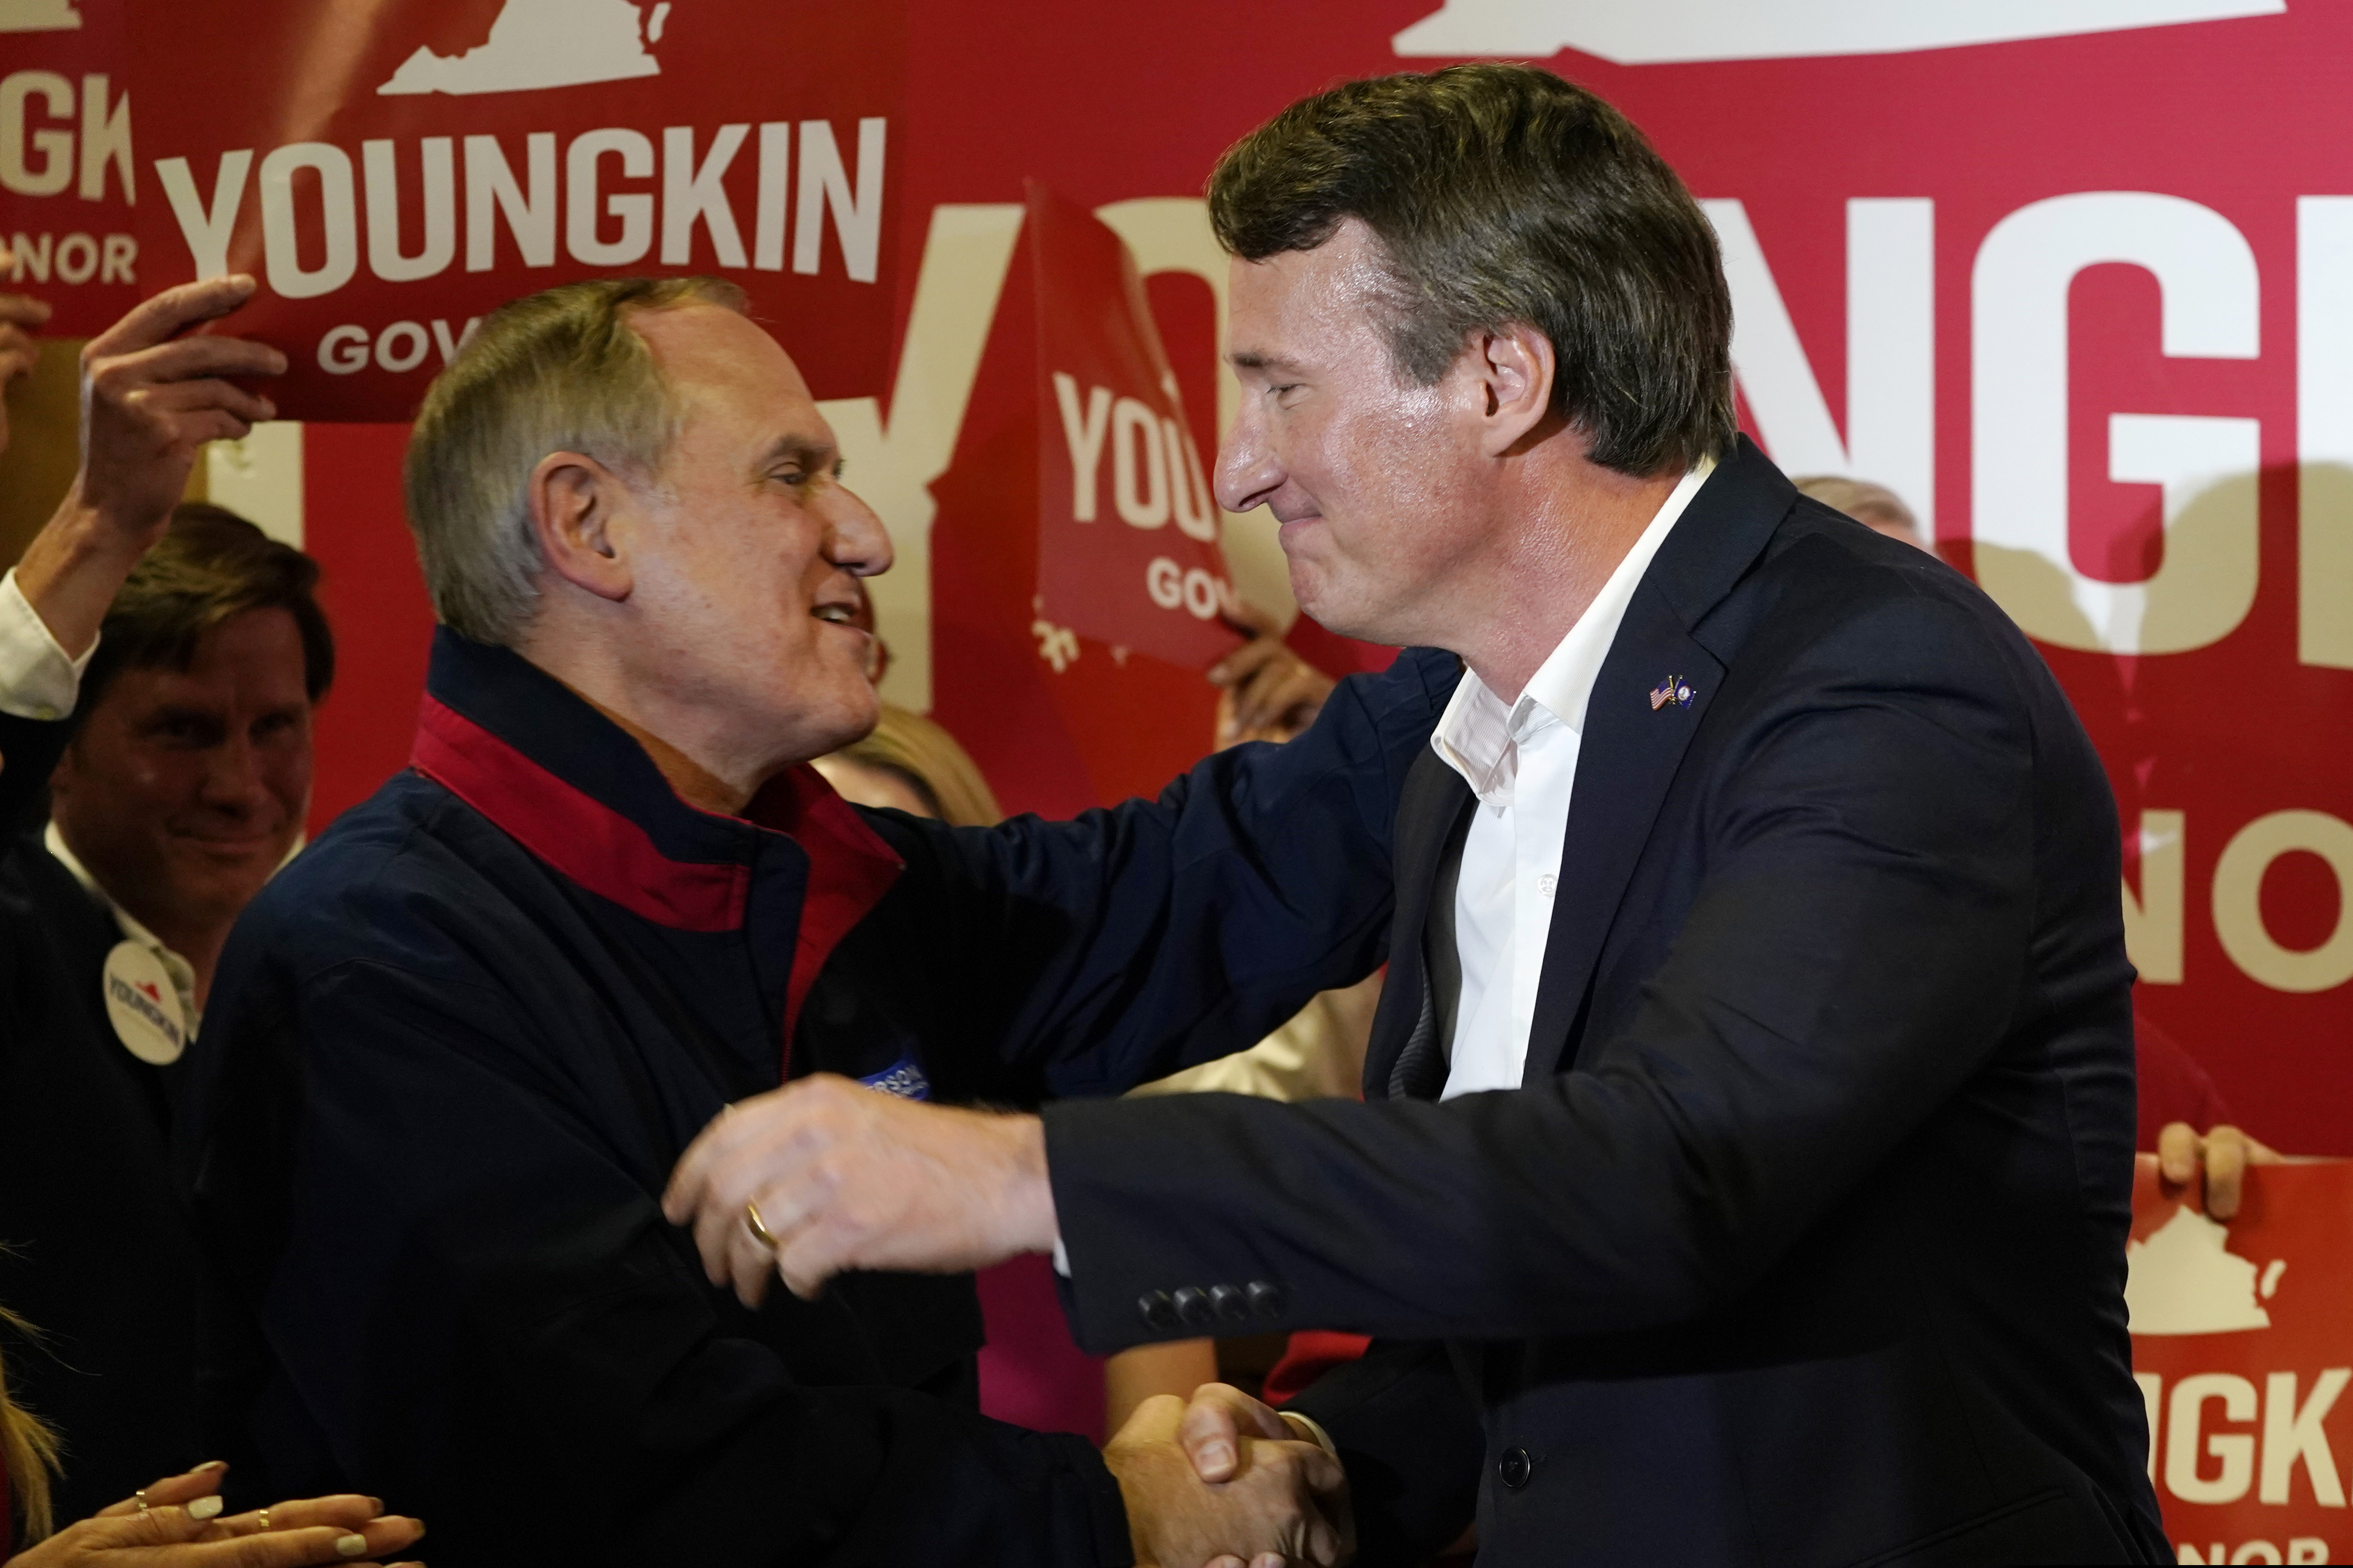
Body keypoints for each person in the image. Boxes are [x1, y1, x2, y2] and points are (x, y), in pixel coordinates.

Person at [669, 63, 2173, 1566]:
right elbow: (1139, 918)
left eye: (1281, 387)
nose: (1239, 467)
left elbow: (1664, 1179)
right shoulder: (1454, 707)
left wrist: (1022, 1177)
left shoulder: (1879, 685)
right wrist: (1339, 1461)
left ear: (1501, 381)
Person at [181, 274, 1453, 1565]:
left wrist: (1530, 610)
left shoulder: (832, 887)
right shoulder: (376, 965)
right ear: (587, 523)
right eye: (792, 475)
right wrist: (1121, 1516)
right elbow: (649, 1485)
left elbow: (1205, 883)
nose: (863, 533)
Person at [0, 276, 330, 1522]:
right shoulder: (17, 929)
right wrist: (96, 522)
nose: (241, 783)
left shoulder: (339, 966)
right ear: (63, 748)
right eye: (185, 730)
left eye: (276, 727)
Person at [1796, 476, 2284, 1216]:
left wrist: (2245, 1202)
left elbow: (2258, 1279)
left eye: (1954, 657)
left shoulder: (2109, 1056)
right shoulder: (1614, 1006)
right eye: (1873, 655)